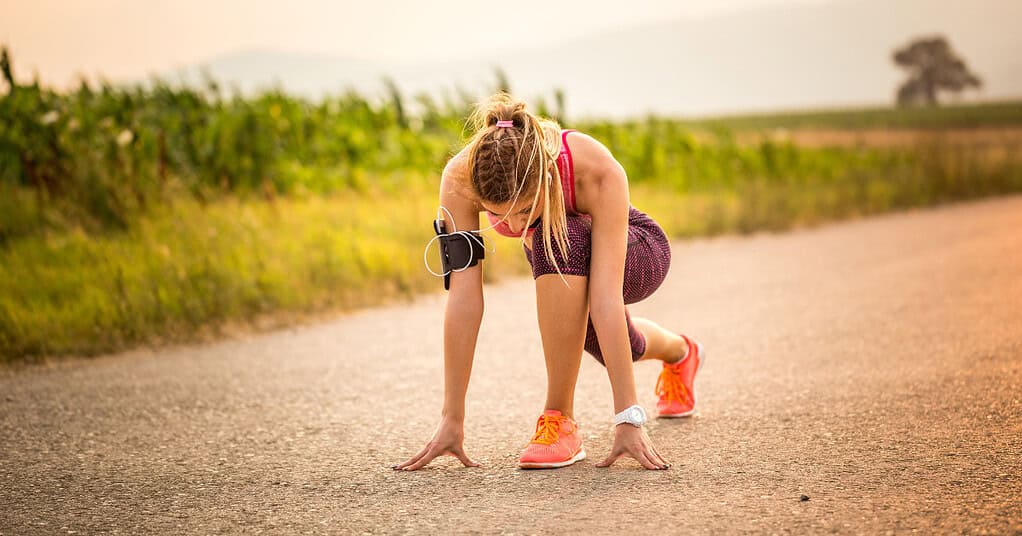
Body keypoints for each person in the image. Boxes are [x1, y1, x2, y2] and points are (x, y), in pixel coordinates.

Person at [394, 93, 704, 471]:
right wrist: (451, 418)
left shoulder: (596, 171)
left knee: (557, 237)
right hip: (564, 259)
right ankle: (681, 353)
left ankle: (559, 420)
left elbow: (605, 299)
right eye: (497, 215)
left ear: (544, 178)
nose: (510, 226)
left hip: (637, 251)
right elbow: (464, 297)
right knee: (622, 346)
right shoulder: (461, 179)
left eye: (524, 210)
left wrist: (628, 417)